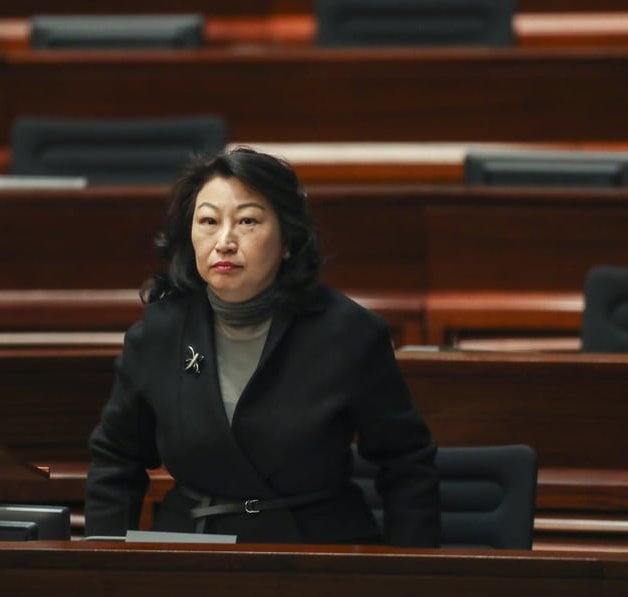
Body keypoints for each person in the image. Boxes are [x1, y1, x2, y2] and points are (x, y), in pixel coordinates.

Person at [84, 147, 440, 546]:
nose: (224, 241)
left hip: (317, 551)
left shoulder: (349, 333)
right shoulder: (158, 334)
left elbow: (407, 463)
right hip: (189, 550)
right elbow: (116, 460)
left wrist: (409, 576)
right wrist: (105, 568)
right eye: (208, 221)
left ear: (288, 239)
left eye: (247, 221)